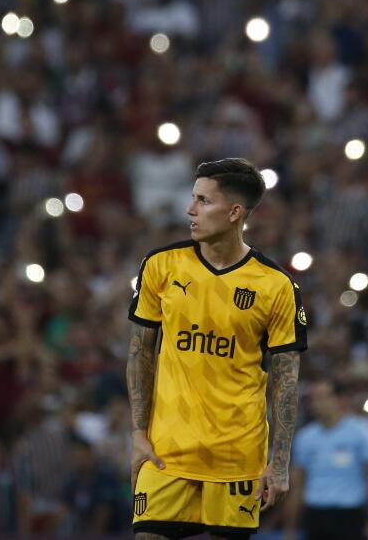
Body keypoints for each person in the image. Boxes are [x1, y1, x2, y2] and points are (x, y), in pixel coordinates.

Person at [127, 158, 308, 540]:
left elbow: (287, 380)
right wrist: (139, 432)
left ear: (234, 212)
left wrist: (279, 462)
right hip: (167, 453)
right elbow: (140, 352)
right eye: (193, 198)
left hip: (236, 457)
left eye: (204, 201)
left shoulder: (275, 286)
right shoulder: (161, 266)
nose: (190, 210)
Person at [283, 380, 368, 540]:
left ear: (339, 399)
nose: (316, 404)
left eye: (322, 397)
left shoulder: (362, 431)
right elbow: (297, 485)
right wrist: (290, 528)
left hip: (350, 515)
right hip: (315, 515)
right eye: (313, 399)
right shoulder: (305, 437)